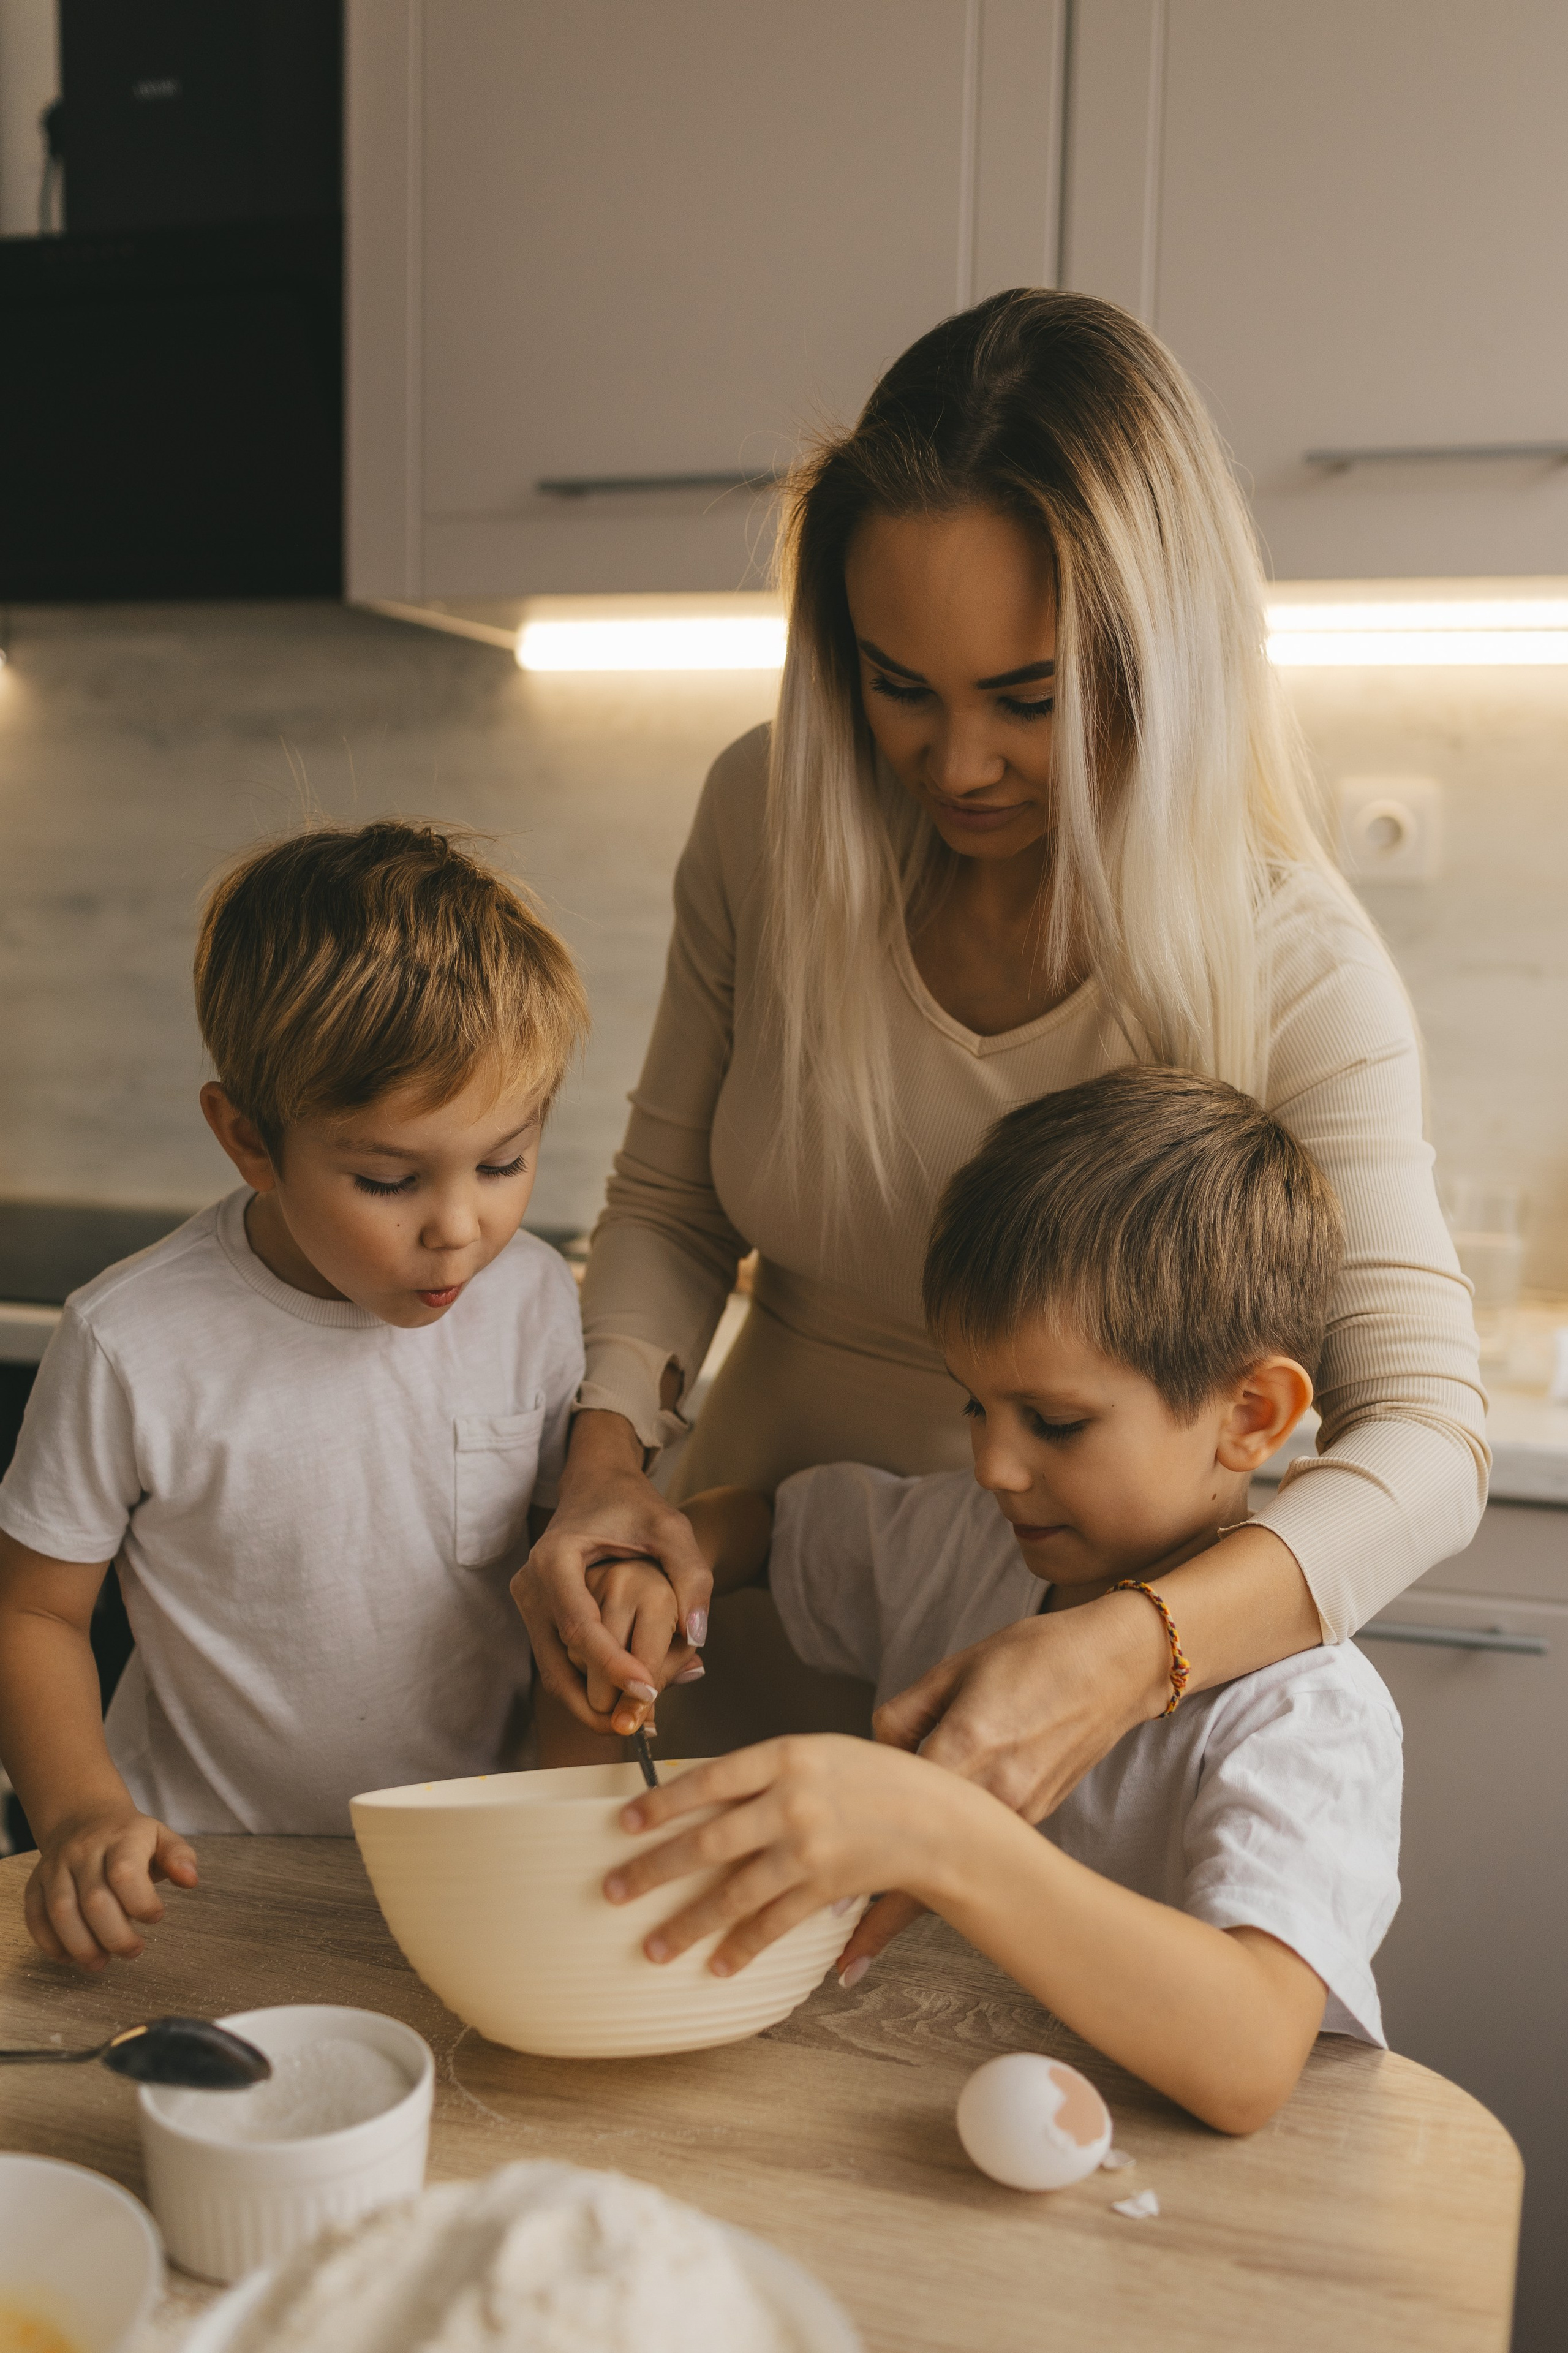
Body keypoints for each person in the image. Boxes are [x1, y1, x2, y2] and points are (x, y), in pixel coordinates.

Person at [515, 289, 1484, 1898]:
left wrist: (1132, 1651)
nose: (954, 762)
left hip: (1065, 1690)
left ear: (1153, 660)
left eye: (1027, 701)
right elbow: (670, 1212)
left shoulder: (1293, 963)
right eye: (899, 685)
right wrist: (610, 1473)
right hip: (735, 1611)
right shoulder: (764, 816)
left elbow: (1434, 1438)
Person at [595, 1069, 1403, 2135]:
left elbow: (1250, 2056)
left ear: (1250, 1413)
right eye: (977, 1404)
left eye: (1054, 1422)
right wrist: (673, 1557)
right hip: (910, 2121)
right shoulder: (964, 1548)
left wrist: (945, 1836)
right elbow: (777, 1526)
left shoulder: (1306, 1710)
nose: (994, 1467)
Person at [0, 820, 610, 1970]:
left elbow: (556, 1575)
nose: (460, 1227)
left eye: (503, 1161)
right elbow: (32, 1611)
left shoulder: (532, 1297)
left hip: (460, 1875)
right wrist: (78, 1813)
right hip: (198, 1879)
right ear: (248, 1139)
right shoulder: (133, 1340)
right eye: (388, 1178)